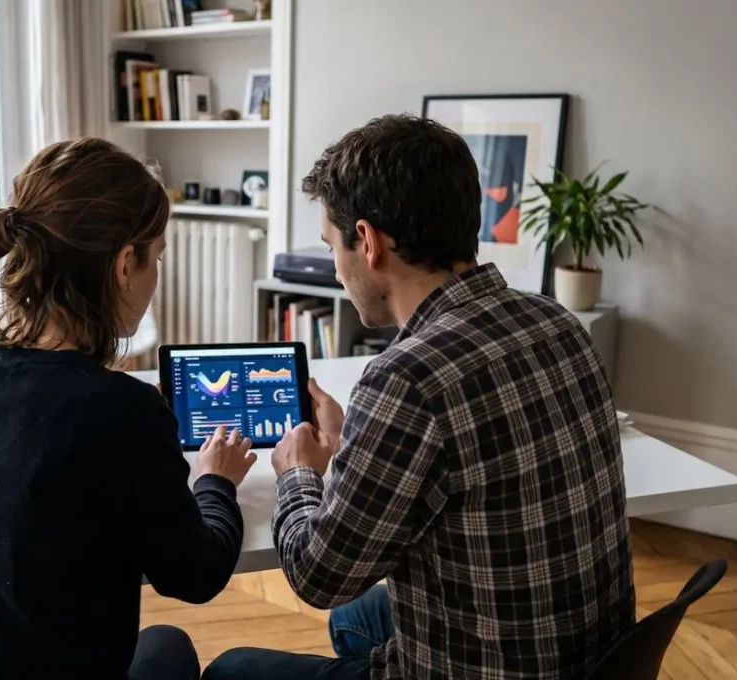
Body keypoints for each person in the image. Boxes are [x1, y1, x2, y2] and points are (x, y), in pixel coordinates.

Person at [203, 114, 635, 679]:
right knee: (354, 621)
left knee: (230, 670)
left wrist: (297, 471)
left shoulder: (407, 378)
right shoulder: (555, 321)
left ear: (368, 242)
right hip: (590, 658)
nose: (336, 270)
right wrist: (360, 431)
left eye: (333, 245)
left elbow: (317, 576)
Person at [0, 138, 258, 680]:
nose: (155, 277)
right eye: (156, 258)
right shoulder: (120, 412)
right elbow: (195, 577)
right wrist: (214, 481)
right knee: (170, 645)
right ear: (126, 264)